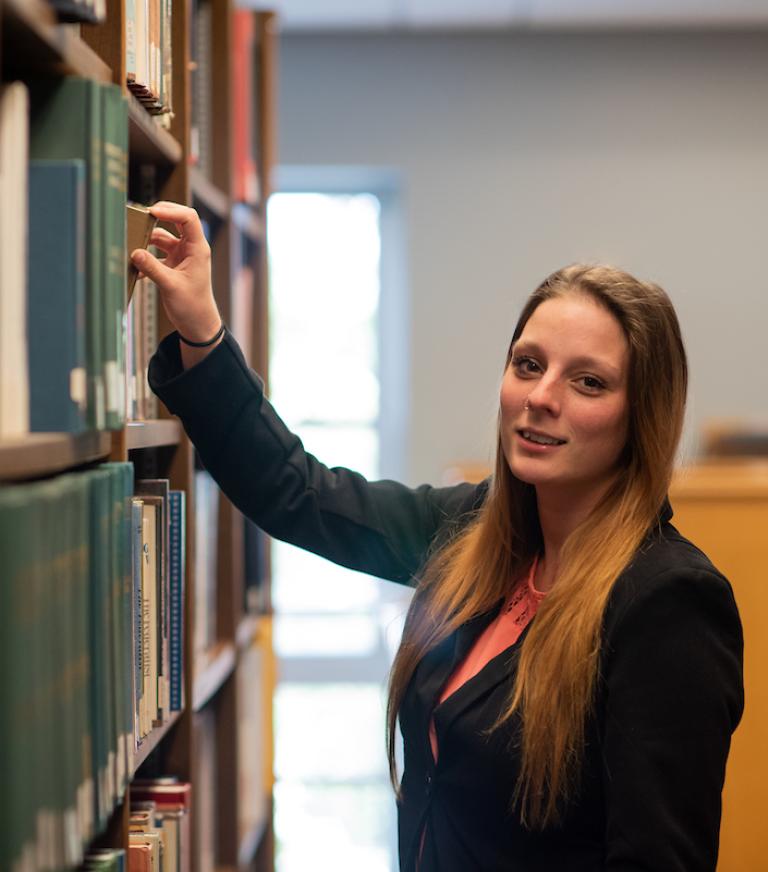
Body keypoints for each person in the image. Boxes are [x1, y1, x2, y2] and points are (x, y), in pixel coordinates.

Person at [134, 201, 744, 872]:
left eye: (588, 382)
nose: (542, 396)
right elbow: (302, 496)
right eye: (528, 364)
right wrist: (202, 330)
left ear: (641, 415)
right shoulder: (477, 534)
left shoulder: (668, 602)